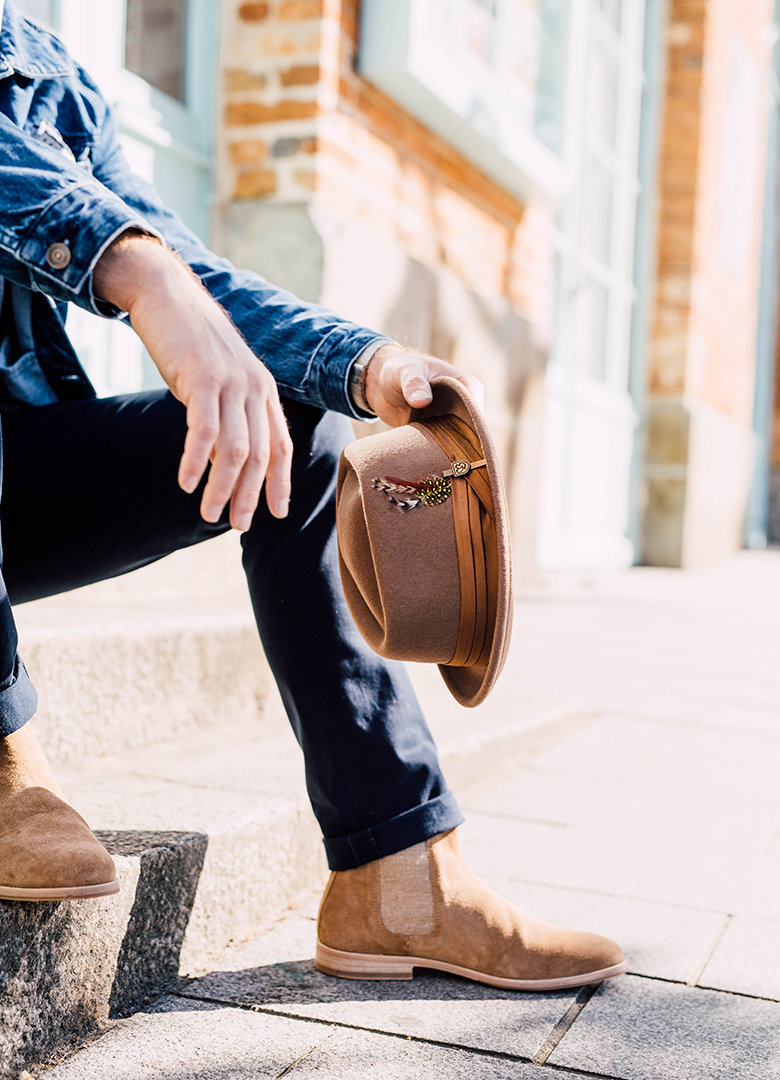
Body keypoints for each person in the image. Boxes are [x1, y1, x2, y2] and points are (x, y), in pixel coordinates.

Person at [0, 1, 625, 989]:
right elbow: (153, 268)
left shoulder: (45, 68)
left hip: (16, 482)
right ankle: (5, 757)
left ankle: (398, 874)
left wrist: (359, 362)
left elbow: (186, 266)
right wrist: (142, 278)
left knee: (293, 429)